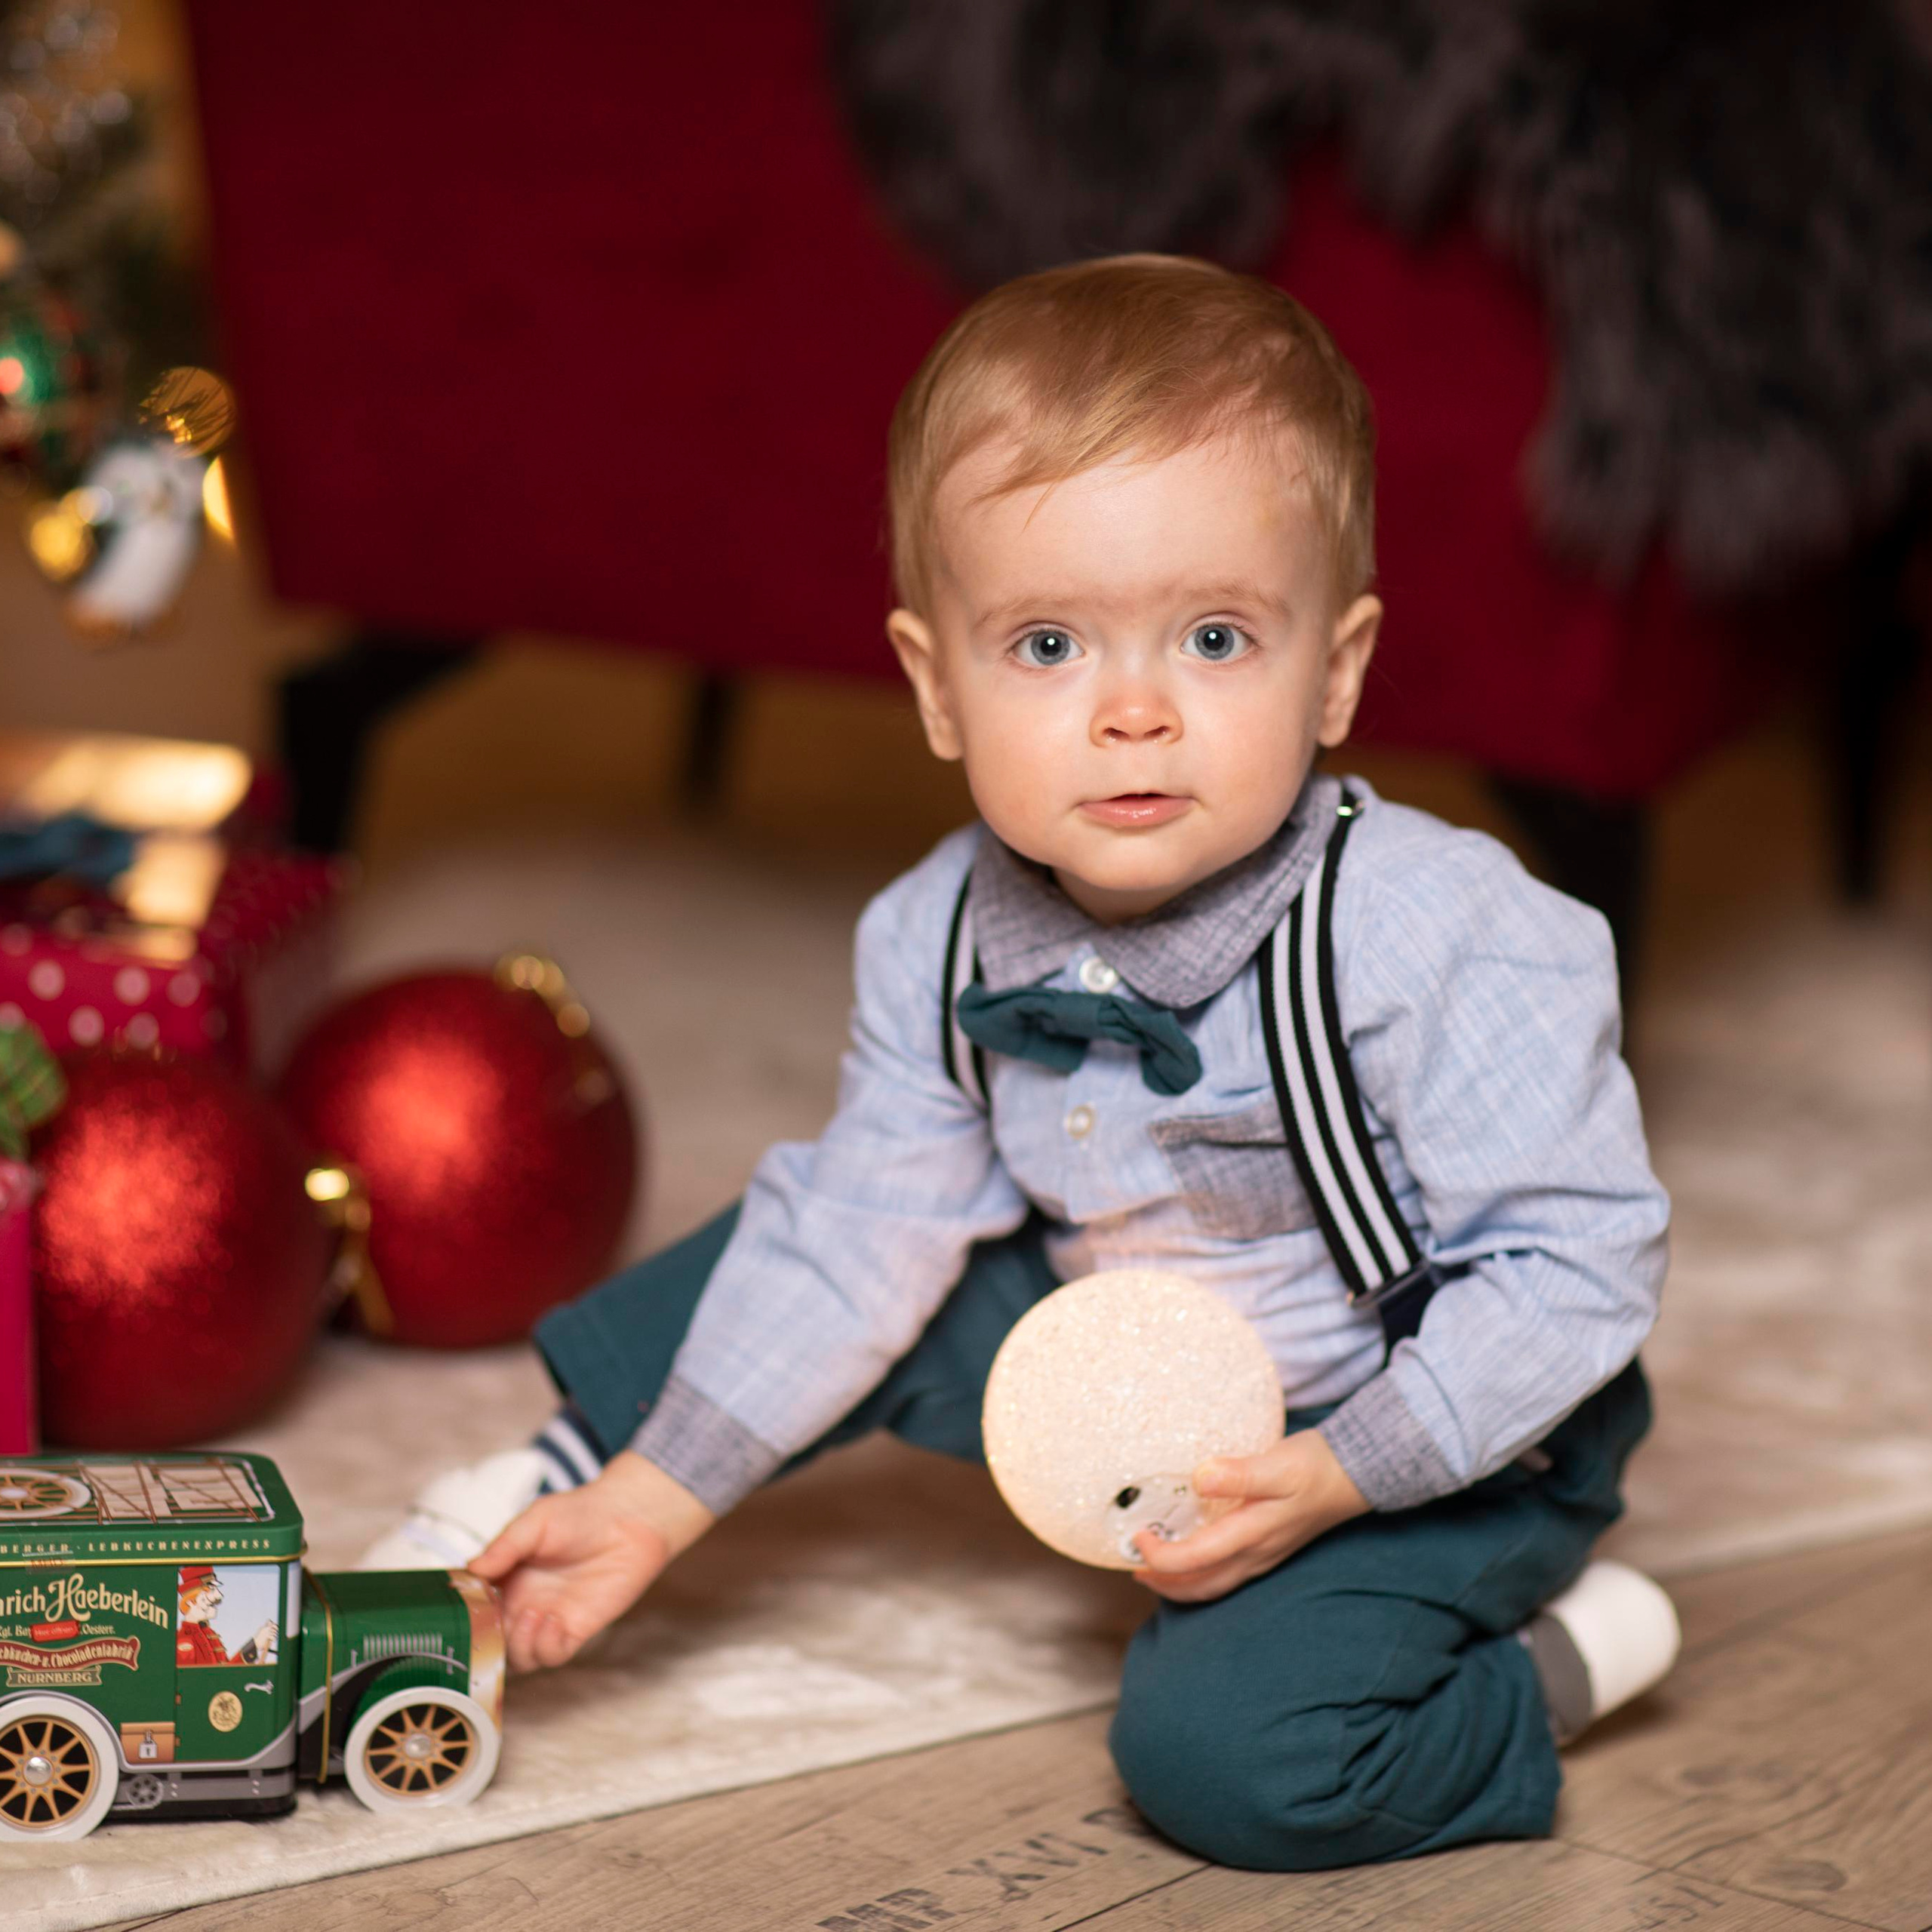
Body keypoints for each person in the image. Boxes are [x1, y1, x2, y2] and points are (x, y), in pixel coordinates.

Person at [367, 254, 1678, 1870]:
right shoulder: (934, 934)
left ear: (1332, 671)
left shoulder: (1430, 933)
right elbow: (860, 1236)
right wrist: (661, 1496)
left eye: (1211, 635)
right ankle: (594, 1472)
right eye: (1048, 646)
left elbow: (1573, 1263)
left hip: (1424, 1411)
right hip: (1115, 1328)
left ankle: (1533, 1666)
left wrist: (1340, 1473)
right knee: (826, 1224)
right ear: (934, 685)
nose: (1131, 710)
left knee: (1223, 1756)